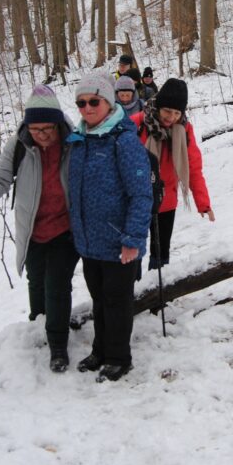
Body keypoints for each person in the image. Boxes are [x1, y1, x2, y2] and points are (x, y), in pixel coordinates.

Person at [0, 85, 79, 373]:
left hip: (65, 227)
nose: (42, 134)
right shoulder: (19, 144)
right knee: (36, 279)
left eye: (47, 128)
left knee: (57, 284)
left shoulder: (73, 141)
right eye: (35, 128)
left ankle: (57, 344)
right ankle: (39, 324)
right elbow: (0, 175)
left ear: (58, 123)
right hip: (32, 227)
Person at [66, 73, 152, 382]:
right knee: (100, 300)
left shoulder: (124, 140)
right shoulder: (80, 140)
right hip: (90, 242)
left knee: (118, 302)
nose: (87, 108)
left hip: (119, 241)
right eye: (81, 103)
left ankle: (119, 356)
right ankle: (100, 350)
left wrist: (132, 238)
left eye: (93, 102)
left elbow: (141, 193)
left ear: (108, 102)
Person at [130, 78, 214, 269]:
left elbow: (193, 167)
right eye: (167, 111)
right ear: (158, 106)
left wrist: (203, 203)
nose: (171, 117)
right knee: (133, 251)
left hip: (165, 199)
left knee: (161, 252)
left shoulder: (184, 130)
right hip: (136, 200)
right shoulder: (136, 124)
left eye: (177, 113)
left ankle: (158, 293)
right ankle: (132, 292)